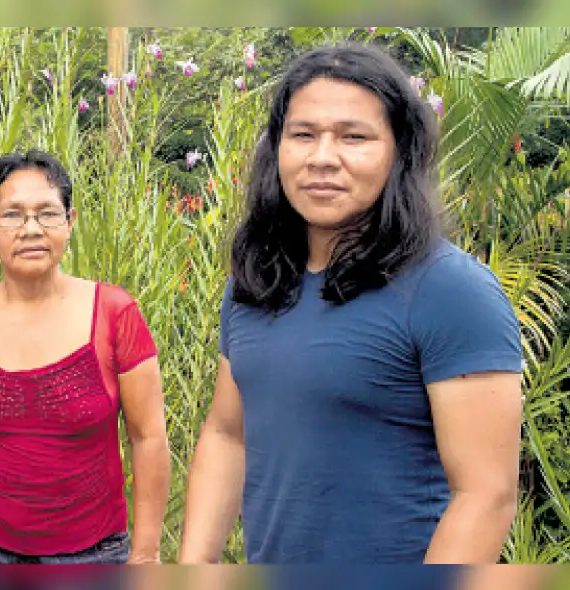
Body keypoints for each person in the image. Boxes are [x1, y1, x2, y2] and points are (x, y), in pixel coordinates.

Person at [179, 44, 524, 564]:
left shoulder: (451, 291)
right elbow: (229, 436)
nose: (322, 157)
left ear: (400, 152)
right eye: (303, 134)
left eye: (353, 137)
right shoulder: (257, 282)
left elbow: (485, 496)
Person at [0, 150, 171, 565]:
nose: (31, 229)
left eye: (48, 214)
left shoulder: (114, 314)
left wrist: (145, 555)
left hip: (93, 555)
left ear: (69, 222)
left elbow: (149, 437)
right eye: (12, 215)